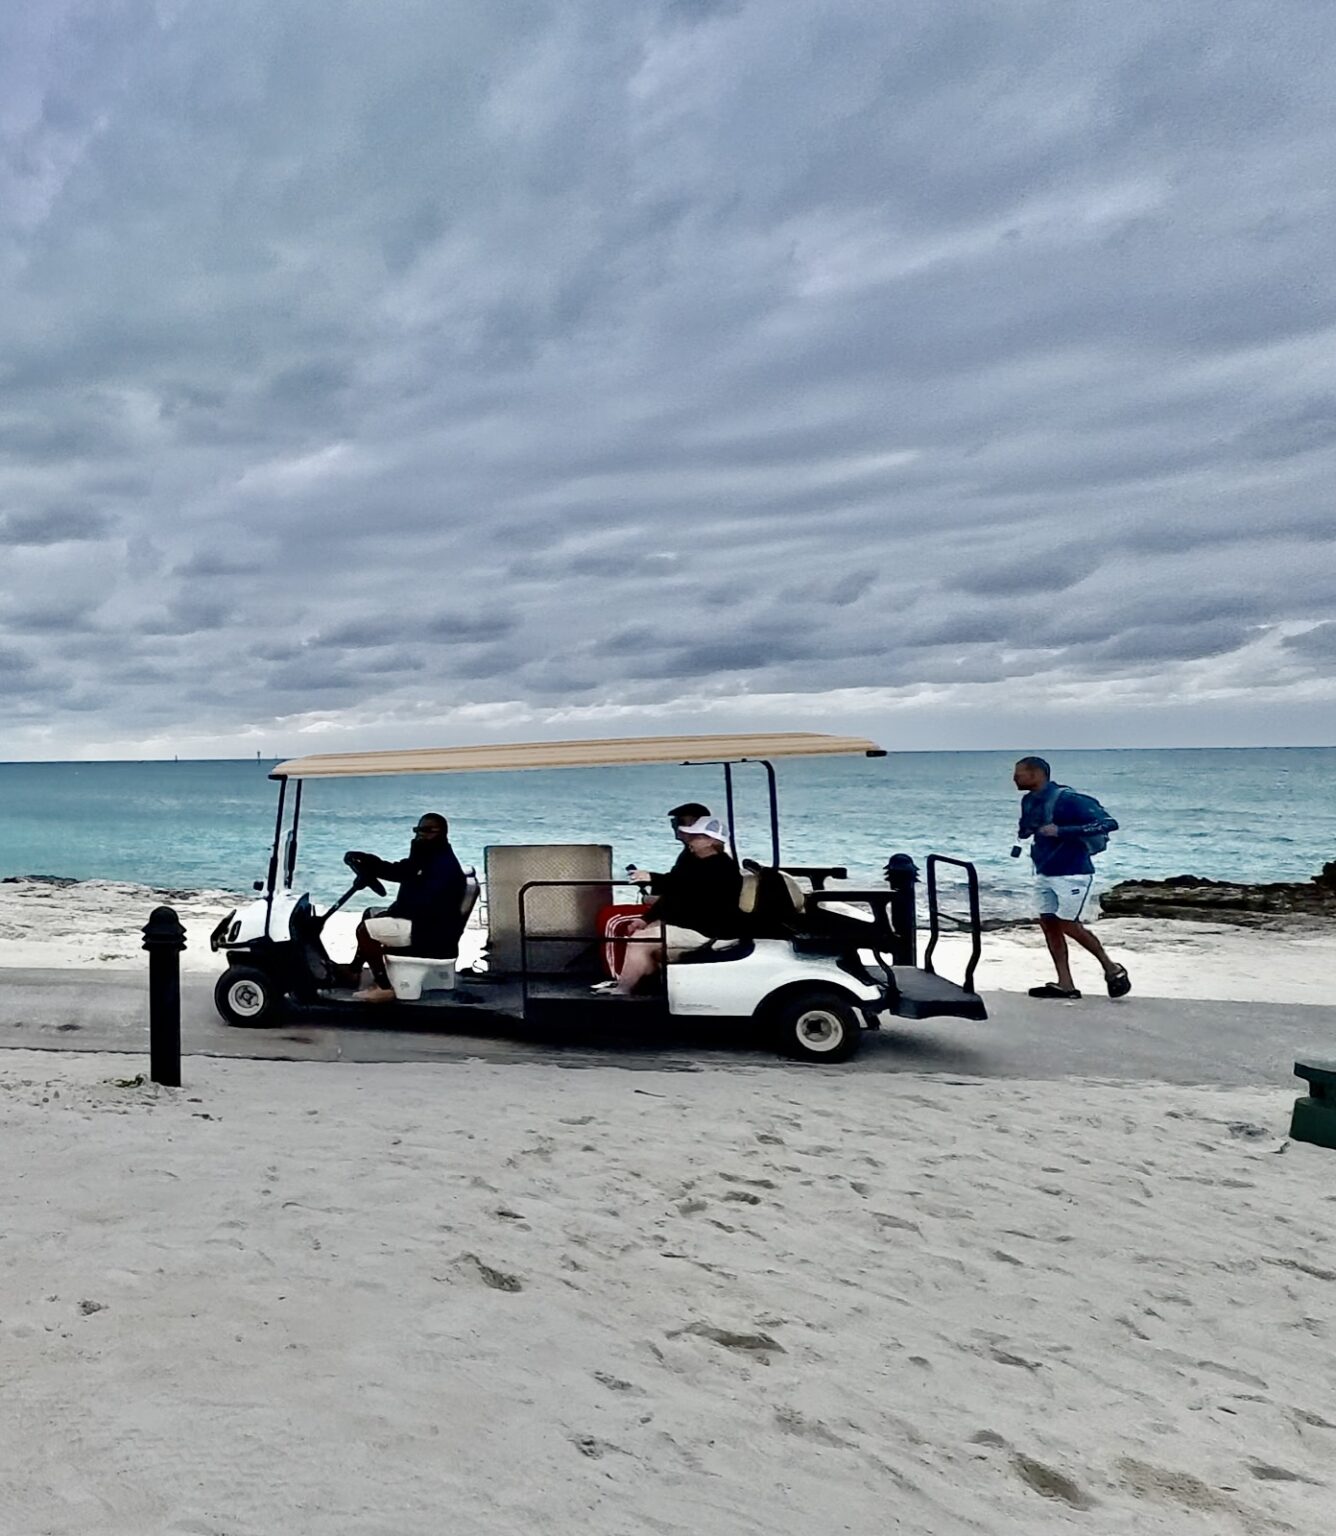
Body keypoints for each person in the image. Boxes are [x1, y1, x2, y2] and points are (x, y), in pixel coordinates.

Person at [1013, 757, 1131, 1001]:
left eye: (1019, 773)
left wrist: (1062, 831)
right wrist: (1026, 830)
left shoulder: (1069, 798)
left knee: (1068, 924)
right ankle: (1065, 984)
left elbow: (1109, 823)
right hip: (1044, 871)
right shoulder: (1029, 800)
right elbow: (1028, 828)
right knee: (1048, 924)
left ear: (1036, 774)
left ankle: (1112, 969)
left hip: (1074, 872)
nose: (1014, 778)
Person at [607, 815, 742, 997]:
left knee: (640, 941)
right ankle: (646, 986)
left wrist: (653, 878)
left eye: (696, 837)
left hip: (709, 930)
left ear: (710, 841)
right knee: (641, 933)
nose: (690, 841)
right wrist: (646, 919)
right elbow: (676, 893)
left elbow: (684, 887)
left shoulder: (723, 868)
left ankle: (624, 990)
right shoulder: (696, 862)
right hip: (694, 924)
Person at [345, 813, 468, 1003]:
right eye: (418, 830)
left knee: (365, 931)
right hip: (428, 923)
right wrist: (371, 863)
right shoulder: (429, 857)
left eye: (428, 831)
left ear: (442, 833)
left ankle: (384, 987)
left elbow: (427, 905)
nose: (420, 835)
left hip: (428, 930)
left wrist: (393, 913)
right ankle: (353, 972)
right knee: (370, 913)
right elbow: (402, 871)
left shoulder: (442, 866)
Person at [627, 802, 713, 892]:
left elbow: (688, 884)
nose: (674, 826)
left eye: (680, 822)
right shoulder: (690, 852)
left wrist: (651, 877)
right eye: (674, 822)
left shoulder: (703, 853)